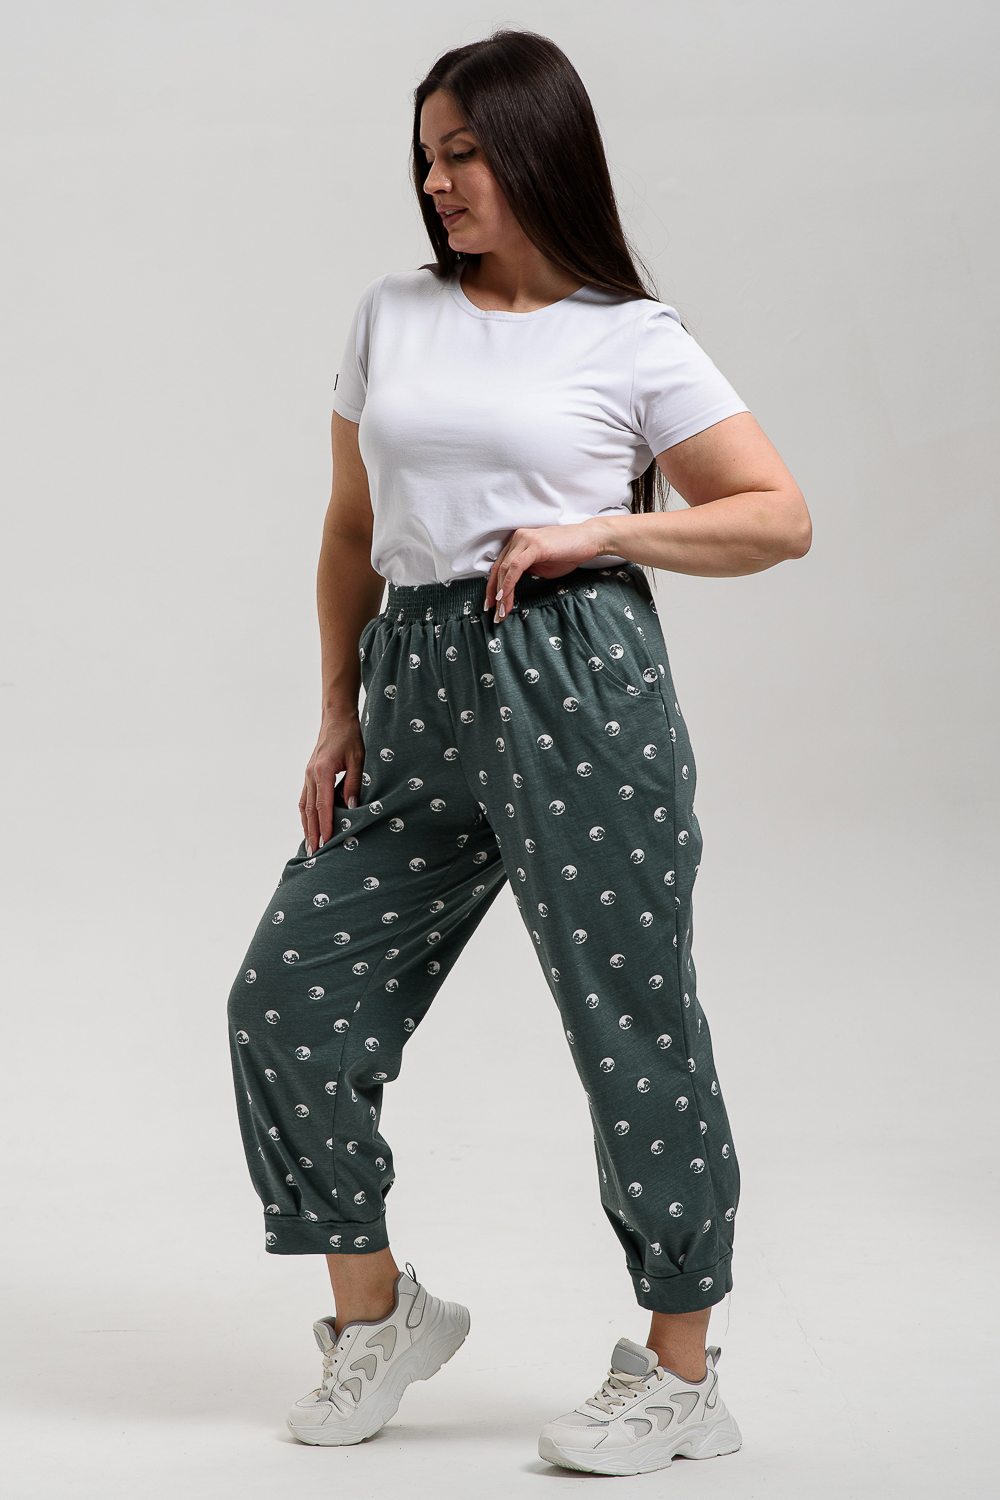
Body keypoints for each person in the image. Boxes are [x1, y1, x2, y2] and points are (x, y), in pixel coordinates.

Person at [226, 28, 811, 1477]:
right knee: (284, 998)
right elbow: (351, 529)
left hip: (573, 682)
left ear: (540, 152)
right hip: (413, 682)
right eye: (427, 158)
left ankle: (683, 1370)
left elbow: (776, 515)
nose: (437, 184)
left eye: (465, 154)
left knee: (629, 1019)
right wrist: (339, 709)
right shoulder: (395, 313)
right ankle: (379, 1316)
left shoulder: (632, 336)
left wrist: (603, 528)